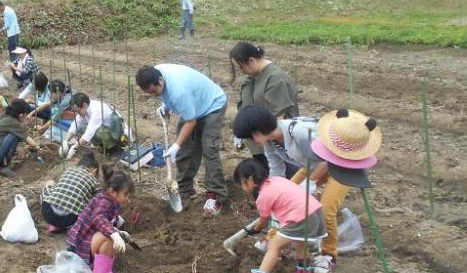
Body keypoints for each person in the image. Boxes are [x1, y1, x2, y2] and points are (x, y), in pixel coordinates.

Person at [135, 64, 228, 216]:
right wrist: (165, 104)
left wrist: (176, 145)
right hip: (193, 104)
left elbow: (191, 122)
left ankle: (216, 195)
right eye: (149, 93)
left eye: (154, 91)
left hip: (212, 105)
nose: (153, 95)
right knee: (186, 149)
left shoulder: (179, 92)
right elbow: (167, 95)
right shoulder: (155, 72)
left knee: (209, 149)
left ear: (160, 80)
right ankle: (185, 190)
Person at [304, 108, 381, 273]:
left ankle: (328, 254)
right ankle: (276, 232)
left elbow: (327, 164)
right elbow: (320, 162)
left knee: (326, 211)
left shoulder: (354, 142)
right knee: (294, 185)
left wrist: (312, 182)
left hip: (346, 169)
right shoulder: (337, 131)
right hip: (325, 161)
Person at [233, 159, 326, 273]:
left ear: (251, 180)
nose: (242, 188)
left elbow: (264, 219)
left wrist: (256, 229)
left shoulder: (263, 196)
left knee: (274, 245)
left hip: (301, 216)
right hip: (314, 212)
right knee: (300, 243)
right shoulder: (277, 180)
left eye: (242, 184)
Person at [230, 42, 299, 169]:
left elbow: (278, 119)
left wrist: (262, 137)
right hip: (261, 145)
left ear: (251, 60)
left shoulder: (275, 79)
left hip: (280, 147)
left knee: (283, 179)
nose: (242, 71)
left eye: (241, 67)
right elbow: (246, 105)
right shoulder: (252, 78)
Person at [66, 169, 136, 273]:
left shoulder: (112, 203)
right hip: (81, 244)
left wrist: (118, 232)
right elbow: (98, 218)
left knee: (110, 234)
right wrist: (113, 234)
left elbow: (106, 223)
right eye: (126, 195)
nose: (127, 199)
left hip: (87, 240)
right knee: (109, 237)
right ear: (113, 192)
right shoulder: (103, 201)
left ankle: (99, 268)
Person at [40, 149, 104, 232]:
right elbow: (100, 200)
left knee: (50, 183)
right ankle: (68, 227)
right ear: (94, 170)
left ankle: (54, 225)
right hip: (69, 219)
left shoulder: (68, 170)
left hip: (48, 213)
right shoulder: (94, 181)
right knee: (91, 203)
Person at [62, 93, 130, 156]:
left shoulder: (97, 110)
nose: (77, 114)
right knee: (83, 129)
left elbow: (89, 132)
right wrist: (66, 141)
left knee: (98, 132)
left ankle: (113, 148)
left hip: (117, 132)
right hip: (105, 128)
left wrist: (75, 147)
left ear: (84, 105)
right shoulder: (85, 108)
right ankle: (103, 144)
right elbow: (75, 124)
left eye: (77, 111)